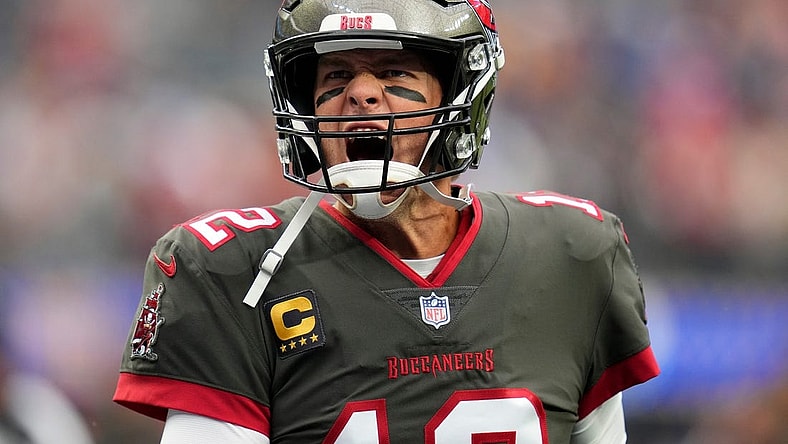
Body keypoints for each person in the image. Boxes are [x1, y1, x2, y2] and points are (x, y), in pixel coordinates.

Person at [113, 0, 660, 442]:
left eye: (394, 71)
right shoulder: (232, 269)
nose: (360, 93)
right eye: (336, 74)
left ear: (460, 94)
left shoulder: (570, 253)